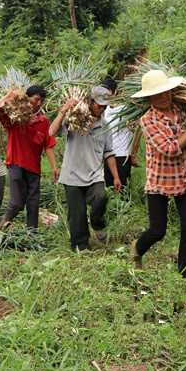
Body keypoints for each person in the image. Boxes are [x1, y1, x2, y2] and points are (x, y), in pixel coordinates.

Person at [129, 70, 186, 278]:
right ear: (149, 98)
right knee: (158, 231)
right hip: (160, 181)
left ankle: (185, 272)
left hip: (185, 177)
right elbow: (170, 150)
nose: (163, 97)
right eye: (157, 94)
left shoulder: (182, 113)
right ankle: (136, 249)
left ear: (172, 91)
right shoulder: (147, 120)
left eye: (166, 92)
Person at [49, 86, 122, 253]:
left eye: (104, 106)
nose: (102, 109)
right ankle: (81, 245)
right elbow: (52, 132)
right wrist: (64, 110)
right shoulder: (75, 118)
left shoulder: (105, 125)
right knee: (77, 213)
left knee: (101, 197)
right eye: (99, 105)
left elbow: (109, 153)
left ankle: (97, 222)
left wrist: (116, 176)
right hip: (72, 175)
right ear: (90, 101)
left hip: (94, 174)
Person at [0, 85, 59, 230]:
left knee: (33, 203)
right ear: (27, 99)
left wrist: (54, 166)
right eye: (36, 99)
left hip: (34, 168)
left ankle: (32, 233)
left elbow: (48, 144)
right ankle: (2, 228)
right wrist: (10, 95)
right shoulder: (16, 117)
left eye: (41, 100)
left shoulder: (44, 122)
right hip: (16, 164)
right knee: (16, 203)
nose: (39, 103)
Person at [100, 77, 140, 190]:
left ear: (113, 91)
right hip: (108, 155)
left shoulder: (126, 109)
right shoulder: (105, 109)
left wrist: (133, 154)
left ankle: (125, 208)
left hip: (122, 155)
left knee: (122, 189)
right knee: (109, 188)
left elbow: (137, 132)